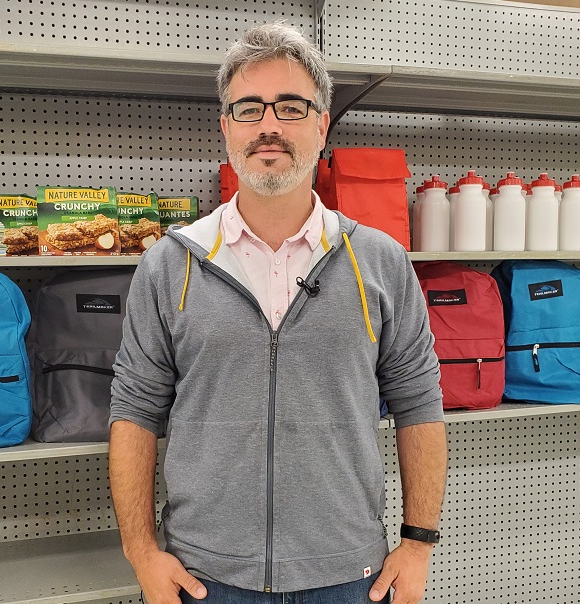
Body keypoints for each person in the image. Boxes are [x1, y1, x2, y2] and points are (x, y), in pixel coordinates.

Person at [109, 22, 447, 604]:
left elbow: (419, 403)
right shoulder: (169, 264)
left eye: (290, 107)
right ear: (226, 128)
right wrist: (142, 553)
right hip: (203, 578)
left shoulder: (381, 263)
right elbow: (134, 412)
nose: (269, 125)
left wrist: (417, 544)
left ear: (322, 125)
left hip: (349, 577)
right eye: (249, 108)